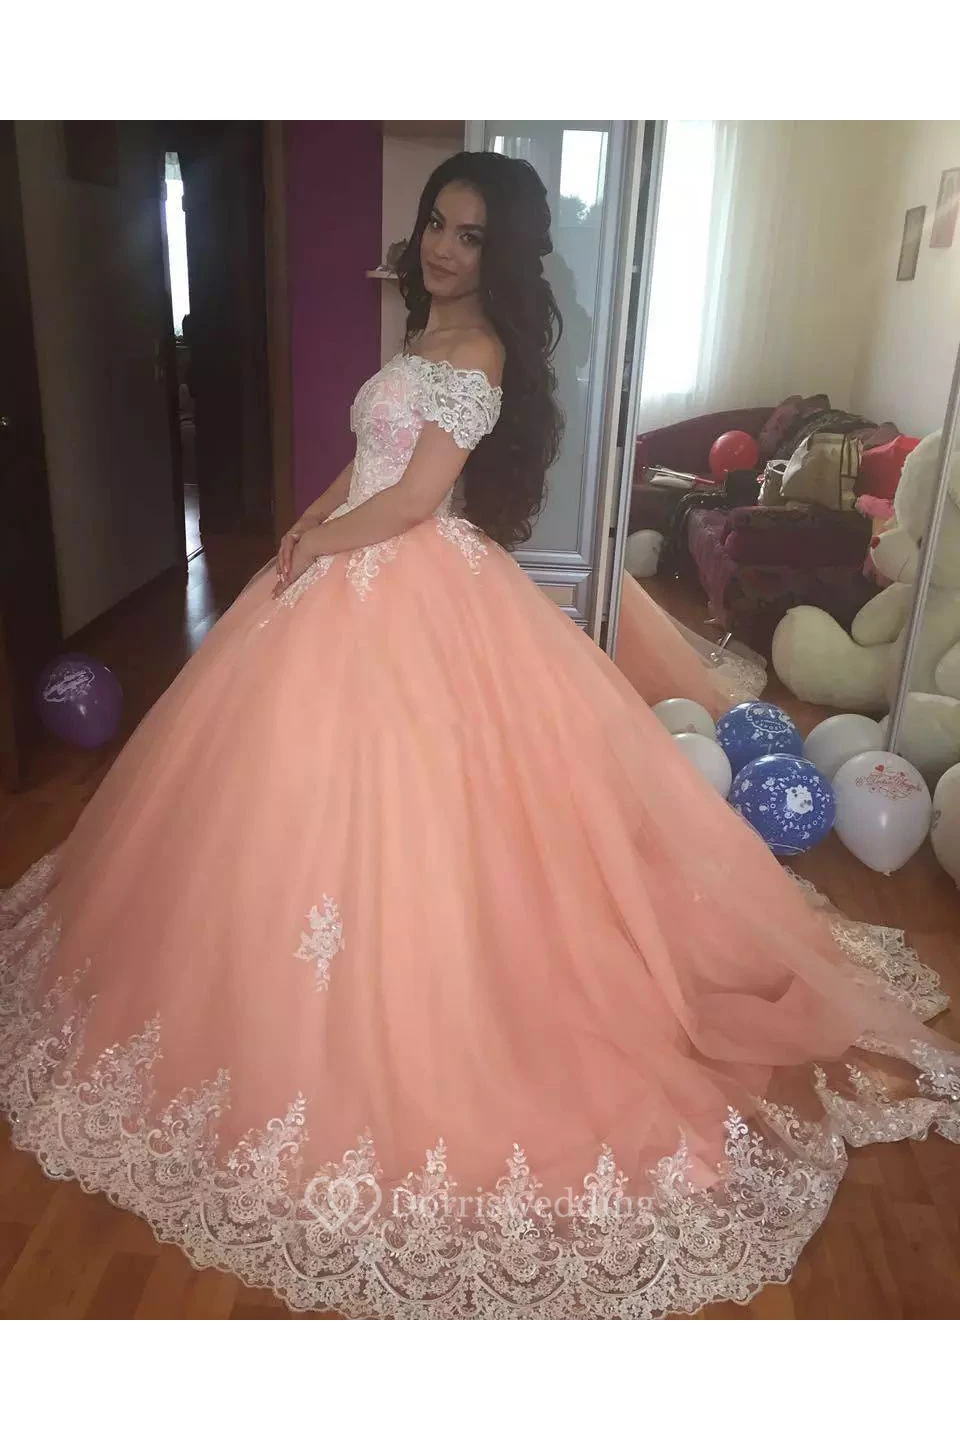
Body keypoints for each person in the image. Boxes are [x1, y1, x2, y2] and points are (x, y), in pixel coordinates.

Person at [1, 152, 957, 1322]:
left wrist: (323, 546)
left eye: (469, 234)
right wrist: (302, 531)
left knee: (426, 813)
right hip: (349, 564)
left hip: (413, 581)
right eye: (437, 225)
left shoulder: (482, 351)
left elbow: (414, 502)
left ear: (500, 255)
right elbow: (364, 466)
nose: (445, 248)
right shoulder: (421, 335)